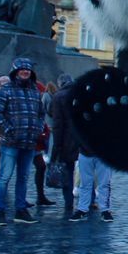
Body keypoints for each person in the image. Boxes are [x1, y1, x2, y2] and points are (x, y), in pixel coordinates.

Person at [0, 57, 46, 225]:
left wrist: (38, 128)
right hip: (10, 141)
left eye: (28, 70)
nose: (25, 72)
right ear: (15, 71)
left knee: (23, 177)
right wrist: (9, 129)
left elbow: (41, 113)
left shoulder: (35, 91)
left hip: (29, 141)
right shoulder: (5, 89)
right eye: (22, 69)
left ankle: (20, 210)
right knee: (4, 177)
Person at [50, 74, 81, 216]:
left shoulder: (58, 96)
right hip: (83, 140)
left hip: (66, 140)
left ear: (60, 83)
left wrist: (56, 147)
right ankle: (90, 200)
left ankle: (68, 203)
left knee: (67, 172)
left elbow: (57, 124)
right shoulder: (81, 93)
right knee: (87, 173)